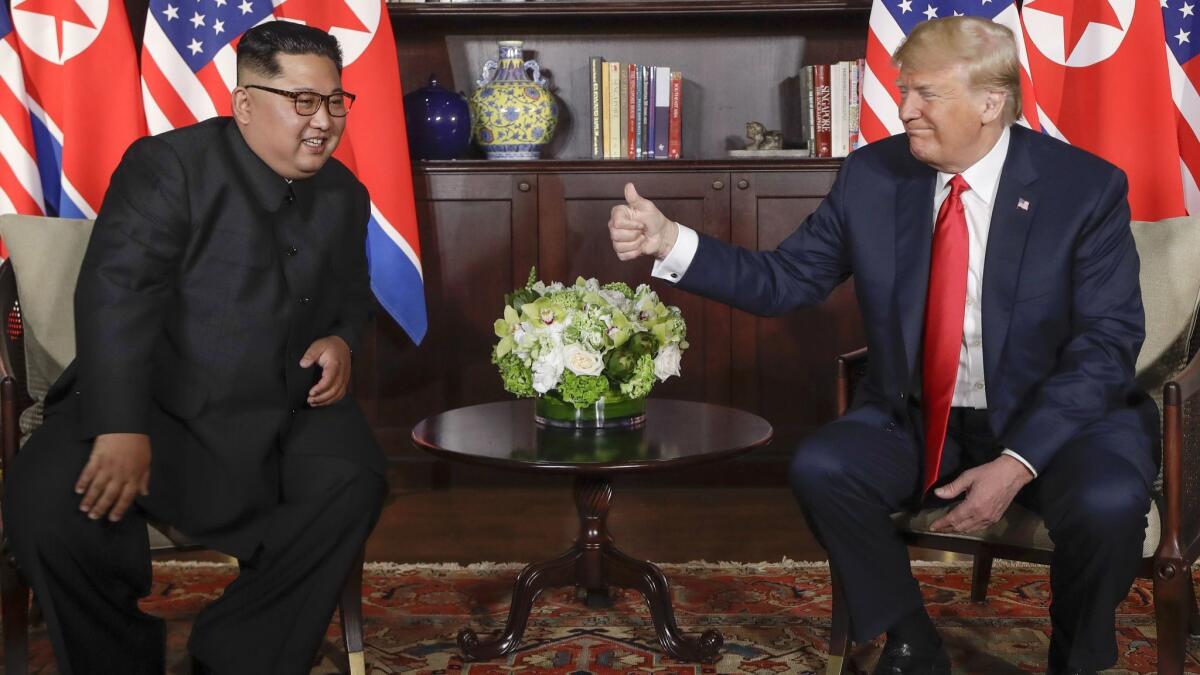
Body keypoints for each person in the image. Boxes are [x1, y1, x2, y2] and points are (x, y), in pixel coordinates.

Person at [608, 16, 1157, 675]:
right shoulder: (874, 176)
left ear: (991, 102)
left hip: (1059, 419)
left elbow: (1107, 344)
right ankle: (911, 639)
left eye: (926, 93)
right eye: (903, 91)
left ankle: (1079, 656)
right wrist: (671, 241)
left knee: (1109, 504)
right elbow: (783, 280)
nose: (903, 110)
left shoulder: (1083, 188)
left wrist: (1016, 462)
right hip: (918, 412)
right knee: (824, 467)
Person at [3, 21, 387, 675]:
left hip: (281, 408)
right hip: (150, 400)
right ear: (244, 103)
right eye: (302, 101)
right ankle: (117, 659)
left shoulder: (347, 195)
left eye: (334, 101)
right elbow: (115, 296)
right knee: (46, 505)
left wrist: (342, 338)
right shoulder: (167, 166)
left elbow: (353, 296)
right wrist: (119, 426)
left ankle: (234, 653)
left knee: (355, 479)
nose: (322, 120)